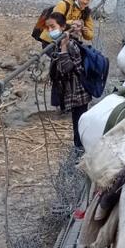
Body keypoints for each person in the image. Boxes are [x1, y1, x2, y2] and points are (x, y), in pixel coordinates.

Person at [47, 12, 91, 150]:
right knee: (77, 121)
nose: (50, 31)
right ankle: (80, 148)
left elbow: (69, 68)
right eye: (47, 28)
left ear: (62, 27)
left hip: (78, 92)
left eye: (53, 27)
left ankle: (80, 150)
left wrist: (64, 48)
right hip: (73, 91)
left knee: (79, 122)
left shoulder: (69, 44)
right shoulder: (61, 42)